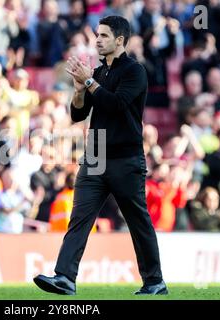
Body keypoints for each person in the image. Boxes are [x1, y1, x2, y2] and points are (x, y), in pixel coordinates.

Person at [33, 16, 167, 296]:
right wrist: (80, 90)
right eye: (97, 34)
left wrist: (90, 81)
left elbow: (116, 104)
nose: (98, 40)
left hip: (125, 157)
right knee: (79, 218)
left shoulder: (135, 71)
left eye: (104, 35)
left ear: (119, 40)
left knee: (137, 221)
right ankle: (65, 278)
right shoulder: (99, 73)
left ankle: (154, 281)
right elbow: (78, 114)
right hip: (94, 153)